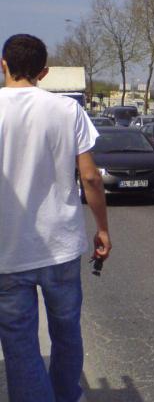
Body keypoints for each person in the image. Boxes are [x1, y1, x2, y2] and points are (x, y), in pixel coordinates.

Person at [0, 34, 111, 402]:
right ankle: (67, 395)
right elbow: (91, 177)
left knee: (19, 342)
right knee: (66, 332)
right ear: (44, 72)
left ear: (3, 64)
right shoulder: (67, 110)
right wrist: (103, 229)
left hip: (7, 252)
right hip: (61, 247)